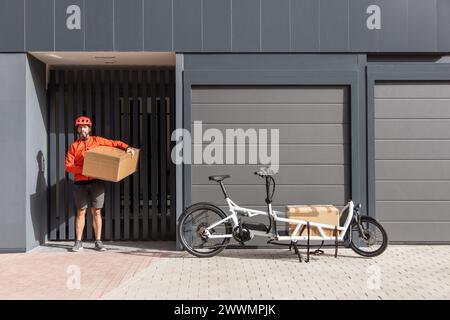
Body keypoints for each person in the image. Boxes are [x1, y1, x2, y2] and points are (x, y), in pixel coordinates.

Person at [65, 116, 135, 252]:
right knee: (81, 212)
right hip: (80, 183)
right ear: (77, 129)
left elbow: (114, 143)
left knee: (96, 211)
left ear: (89, 128)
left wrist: (127, 147)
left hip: (97, 181)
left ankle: (98, 241)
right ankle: (78, 242)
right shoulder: (74, 146)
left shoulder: (97, 141)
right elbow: (68, 166)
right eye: (80, 127)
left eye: (85, 127)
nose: (82, 129)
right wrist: (85, 170)